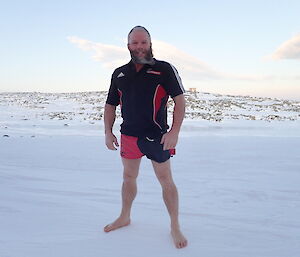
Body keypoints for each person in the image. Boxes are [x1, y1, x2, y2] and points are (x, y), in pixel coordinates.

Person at [103, 25, 187, 249]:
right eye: (135, 43)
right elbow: (110, 104)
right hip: (129, 136)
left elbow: (180, 101)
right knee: (128, 177)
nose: (139, 46)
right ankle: (124, 216)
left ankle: (175, 226)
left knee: (166, 181)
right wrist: (107, 131)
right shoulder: (120, 73)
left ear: (150, 44)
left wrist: (174, 132)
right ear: (128, 45)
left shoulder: (164, 69)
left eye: (143, 42)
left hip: (157, 137)